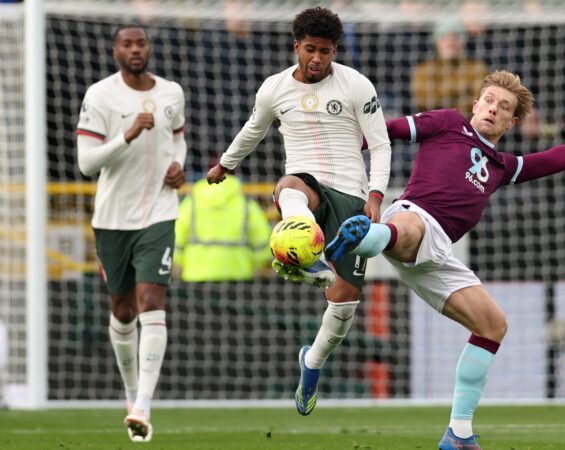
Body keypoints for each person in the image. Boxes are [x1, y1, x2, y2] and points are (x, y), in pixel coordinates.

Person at [325, 70, 565, 450]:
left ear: (512, 121)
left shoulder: (502, 166)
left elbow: (555, 159)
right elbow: (386, 131)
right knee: (411, 227)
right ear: (475, 104)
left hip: (437, 256)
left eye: (504, 107)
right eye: (488, 101)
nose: (493, 109)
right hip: (413, 217)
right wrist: (342, 146)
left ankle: (459, 434)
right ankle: (365, 237)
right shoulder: (449, 124)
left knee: (493, 326)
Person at [205, 7, 391, 416]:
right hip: (307, 184)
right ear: (296, 46)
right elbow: (254, 128)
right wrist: (226, 163)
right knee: (288, 188)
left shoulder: (357, 85)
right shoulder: (274, 88)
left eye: (325, 51)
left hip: (352, 197)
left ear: (334, 50)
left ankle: (311, 364)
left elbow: (379, 144)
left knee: (343, 307)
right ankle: (305, 254)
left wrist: (376, 195)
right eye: (310, 49)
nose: (317, 59)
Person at [76, 25, 187, 442]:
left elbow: (178, 140)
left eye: (141, 43)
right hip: (112, 219)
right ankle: (129, 390)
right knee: (123, 311)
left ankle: (142, 405)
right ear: (115, 51)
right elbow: (87, 164)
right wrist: (126, 135)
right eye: (128, 44)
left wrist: (177, 165)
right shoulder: (101, 96)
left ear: (149, 49)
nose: (135, 50)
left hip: (159, 212)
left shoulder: (171, 93)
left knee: (151, 300)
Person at [174, 173, 272, 281]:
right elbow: (263, 241)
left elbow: (176, 237)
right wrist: (253, 264)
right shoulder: (246, 203)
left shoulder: (191, 202)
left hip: (195, 275)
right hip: (239, 274)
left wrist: (182, 263)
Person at [410, 18, 488, 115]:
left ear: (463, 42)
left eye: (455, 37)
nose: (450, 43)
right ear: (437, 42)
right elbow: (423, 100)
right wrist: (461, 90)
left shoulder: (476, 68)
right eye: (444, 38)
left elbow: (479, 99)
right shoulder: (424, 69)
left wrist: (442, 95)